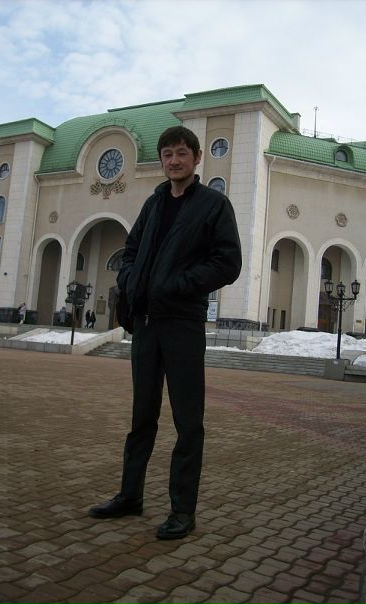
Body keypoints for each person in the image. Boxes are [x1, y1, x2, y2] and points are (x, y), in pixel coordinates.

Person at [89, 126, 242, 539]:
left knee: (188, 421)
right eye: (167, 154)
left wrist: (177, 285)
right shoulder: (154, 203)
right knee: (142, 416)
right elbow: (131, 250)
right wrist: (130, 280)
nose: (174, 160)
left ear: (196, 158)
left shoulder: (213, 205)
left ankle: (182, 510)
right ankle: (130, 495)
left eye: (181, 153)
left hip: (183, 324)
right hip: (146, 324)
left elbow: (228, 263)